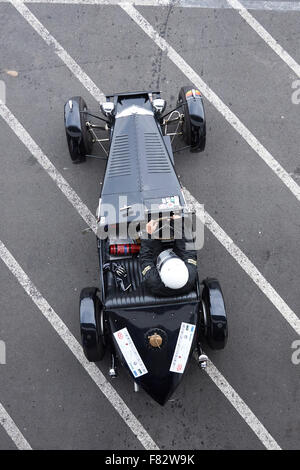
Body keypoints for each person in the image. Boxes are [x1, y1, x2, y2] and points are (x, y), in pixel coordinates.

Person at [139, 216, 198, 296]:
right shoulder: (190, 274)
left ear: (160, 274)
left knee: (153, 247)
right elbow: (188, 251)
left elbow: (145, 258)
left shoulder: (153, 280)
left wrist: (148, 234)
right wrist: (179, 223)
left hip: (158, 286)